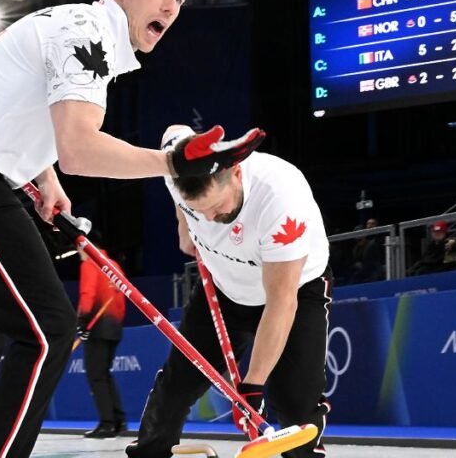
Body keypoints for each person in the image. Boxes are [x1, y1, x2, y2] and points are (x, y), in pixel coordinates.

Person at [0, 0, 264, 458]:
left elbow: (34, 119)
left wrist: (46, 181)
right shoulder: (85, 36)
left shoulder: (77, 31)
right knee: (47, 332)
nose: (171, 6)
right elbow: (81, 149)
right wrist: (172, 163)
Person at [125, 125, 330, 458]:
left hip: (293, 289)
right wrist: (183, 223)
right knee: (178, 383)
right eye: (198, 210)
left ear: (235, 172)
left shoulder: (280, 198)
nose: (209, 218)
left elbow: (281, 301)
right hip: (224, 289)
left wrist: (251, 387)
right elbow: (174, 131)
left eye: (217, 208)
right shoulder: (177, 169)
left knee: (295, 398)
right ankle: (149, 452)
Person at [76, 232, 127, 438]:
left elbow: (87, 295)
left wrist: (82, 322)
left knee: (96, 375)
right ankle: (119, 421)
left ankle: (107, 424)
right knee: (104, 374)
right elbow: (123, 296)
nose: (78, 252)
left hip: (97, 325)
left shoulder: (90, 264)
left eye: (79, 247)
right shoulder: (113, 264)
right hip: (114, 326)